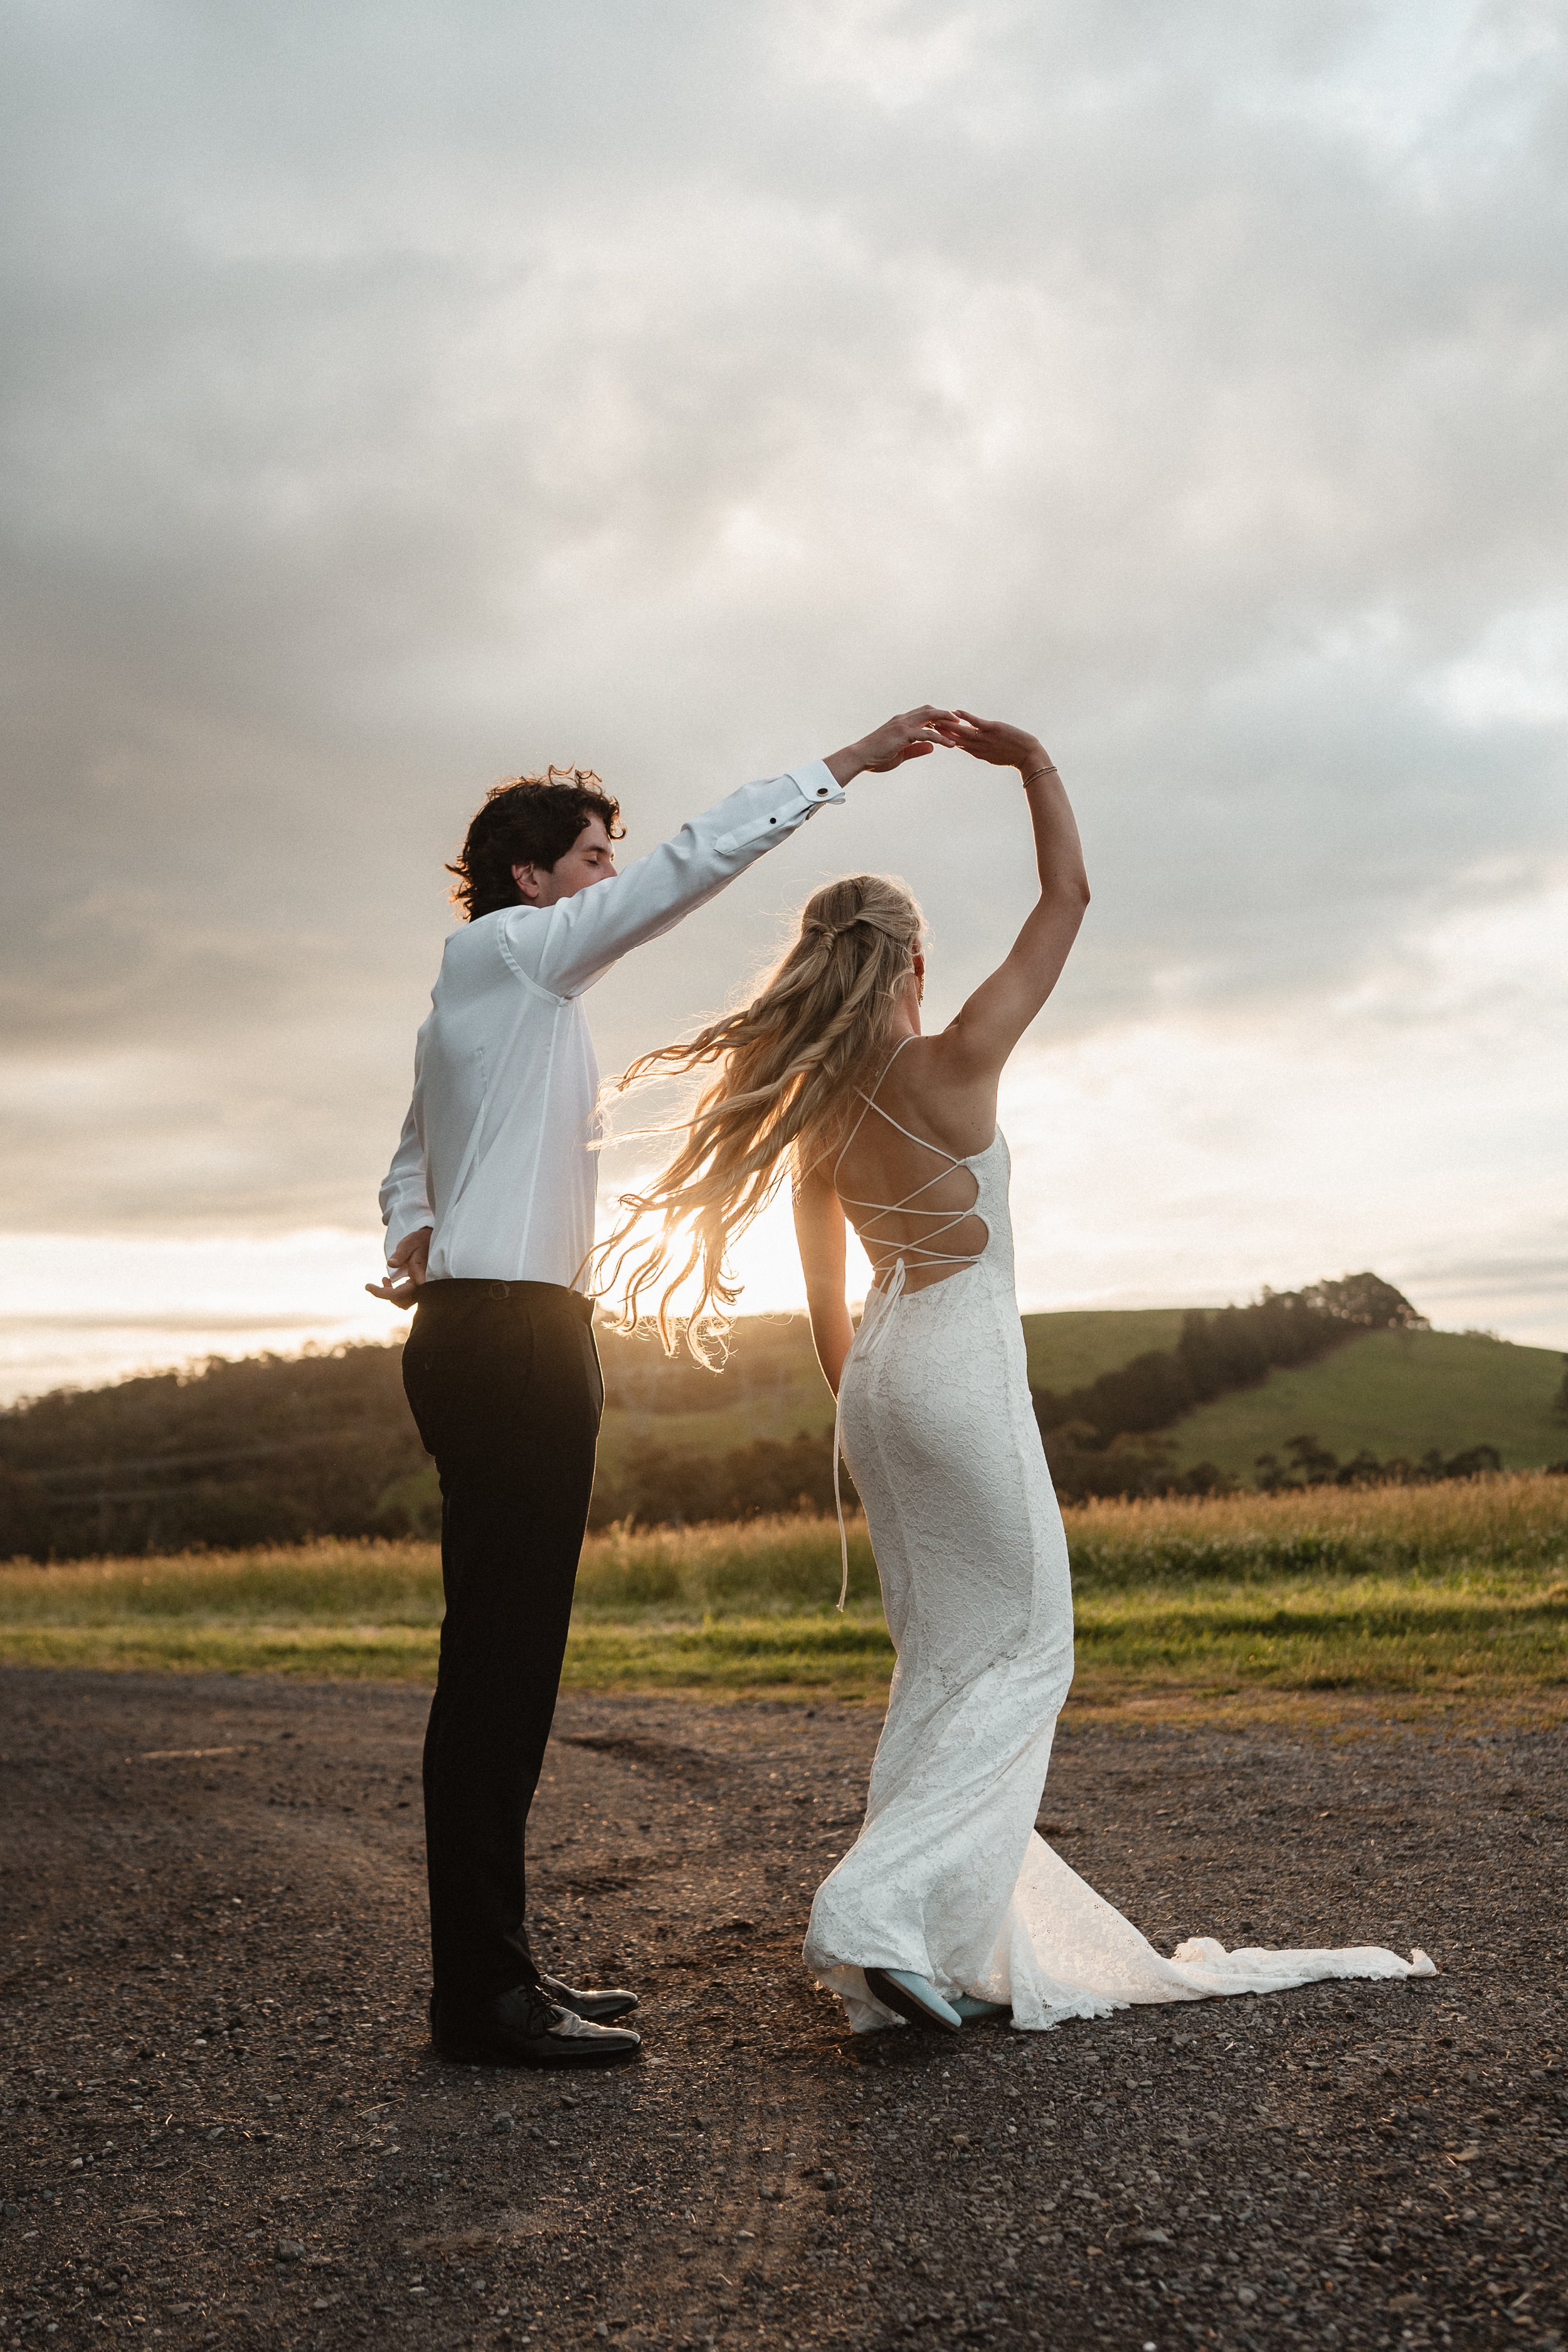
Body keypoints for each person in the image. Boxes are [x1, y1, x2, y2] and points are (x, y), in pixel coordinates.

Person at [601, 708, 1434, 2035]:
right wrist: (1032, 762)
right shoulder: (956, 1062)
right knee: (1028, 1648)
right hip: (956, 1370)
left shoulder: (814, 1115)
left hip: (873, 1384)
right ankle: (875, 1912)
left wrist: (878, 1426)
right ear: (912, 965)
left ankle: (923, 1942)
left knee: (943, 1660)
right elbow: (1068, 896)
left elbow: (823, 1313)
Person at [371, 710, 951, 2068]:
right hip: (512, 1342)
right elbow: (690, 866)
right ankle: (483, 2002)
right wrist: (843, 768)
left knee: (497, 1671)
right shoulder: (516, 957)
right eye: (589, 858)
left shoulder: (484, 995)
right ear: (532, 881)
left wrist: (414, 1231)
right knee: (502, 1678)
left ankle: (492, 1974)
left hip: (482, 1324)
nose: (608, 876)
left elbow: (409, 1153)